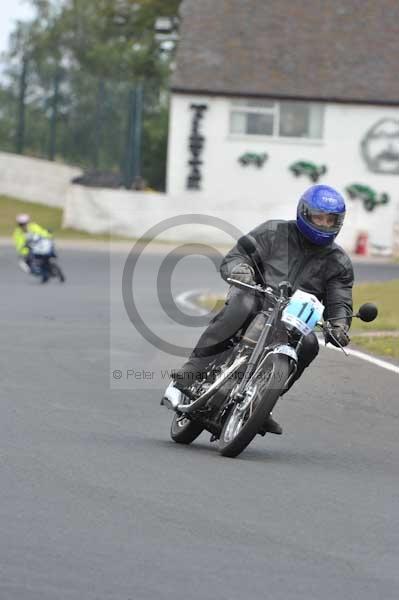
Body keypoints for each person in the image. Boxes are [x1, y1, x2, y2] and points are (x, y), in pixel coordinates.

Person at [172, 184, 354, 435]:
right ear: (304, 212)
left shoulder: (339, 262)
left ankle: (261, 402)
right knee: (243, 305)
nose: (323, 224)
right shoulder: (273, 231)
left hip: (293, 319)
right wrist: (241, 269)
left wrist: (340, 325)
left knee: (310, 343)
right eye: (318, 217)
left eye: (329, 219)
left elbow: (340, 300)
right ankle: (193, 369)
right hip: (257, 295)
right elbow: (238, 256)